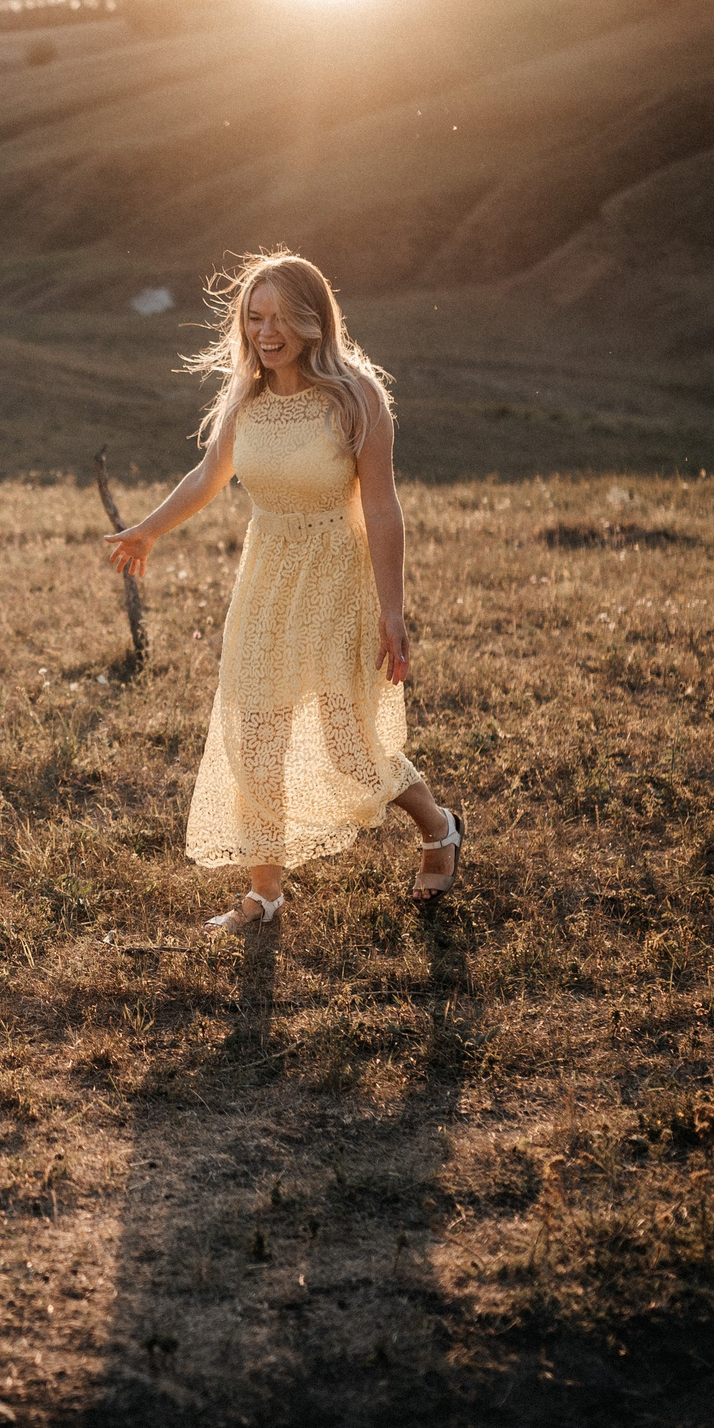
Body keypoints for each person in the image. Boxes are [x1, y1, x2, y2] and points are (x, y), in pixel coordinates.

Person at [106, 250, 463, 930]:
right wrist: (149, 531)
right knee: (256, 731)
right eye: (254, 316)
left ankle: (440, 828)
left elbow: (383, 508)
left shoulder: (356, 397)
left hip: (338, 579)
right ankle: (263, 894)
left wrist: (394, 611)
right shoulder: (246, 398)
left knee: (348, 744)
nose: (266, 331)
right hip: (267, 579)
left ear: (312, 319)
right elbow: (208, 476)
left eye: (280, 317)